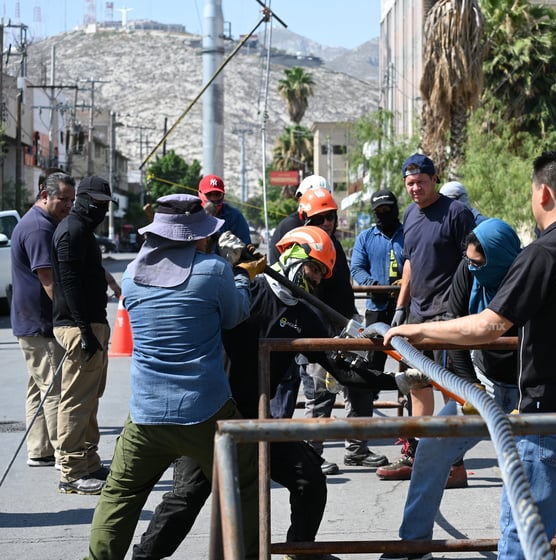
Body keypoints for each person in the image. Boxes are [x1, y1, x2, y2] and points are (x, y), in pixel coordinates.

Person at [384, 149, 556, 560]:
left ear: (544, 193)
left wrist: (413, 329)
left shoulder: (545, 253)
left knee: (520, 537)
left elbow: (487, 326)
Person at [132, 226, 393, 560]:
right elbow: (200, 290)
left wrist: (398, 382)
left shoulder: (306, 315)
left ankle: (301, 551)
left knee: (309, 481)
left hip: (258, 420)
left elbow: (341, 370)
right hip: (211, 413)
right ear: (291, 254)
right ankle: (144, 557)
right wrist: (225, 261)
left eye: (319, 275)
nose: (313, 279)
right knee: (188, 495)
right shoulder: (245, 289)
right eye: (312, 267)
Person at [85, 194, 263, 559]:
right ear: (194, 236)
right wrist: (242, 275)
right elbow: (235, 316)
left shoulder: (132, 277)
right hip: (206, 410)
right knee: (244, 481)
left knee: (120, 493)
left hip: (146, 414)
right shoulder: (213, 271)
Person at [379, 218, 522, 560]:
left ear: (501, 260)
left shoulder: (523, 277)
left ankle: (523, 548)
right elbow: (456, 329)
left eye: (479, 264)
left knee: (526, 470)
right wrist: (470, 387)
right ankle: (414, 543)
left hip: (525, 389)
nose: (473, 270)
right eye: (469, 262)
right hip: (482, 383)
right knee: (432, 447)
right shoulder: (467, 272)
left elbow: (491, 328)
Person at [376, 154, 475, 481]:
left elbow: (472, 262)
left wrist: (457, 309)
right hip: (416, 320)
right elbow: (410, 264)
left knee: (452, 395)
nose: (415, 188)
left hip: (447, 322)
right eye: (409, 184)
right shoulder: (410, 215)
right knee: (417, 387)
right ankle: (415, 456)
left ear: (435, 179)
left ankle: (454, 466)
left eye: (421, 181)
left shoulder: (457, 214)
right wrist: (401, 309)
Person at [295, 187, 388, 473]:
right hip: (318, 331)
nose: (327, 223)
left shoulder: (332, 244)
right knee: (320, 393)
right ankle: (313, 454)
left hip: (346, 324)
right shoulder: (301, 250)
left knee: (359, 385)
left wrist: (352, 324)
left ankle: (357, 449)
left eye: (331, 217)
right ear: (306, 219)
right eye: (321, 218)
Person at [51, 175, 114, 495]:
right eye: (99, 204)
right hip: (79, 328)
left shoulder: (81, 230)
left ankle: (88, 461)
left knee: (89, 400)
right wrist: (85, 330)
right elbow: (69, 284)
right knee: (75, 403)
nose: (103, 211)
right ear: (85, 200)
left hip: (89, 325)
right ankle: (72, 470)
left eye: (106, 206)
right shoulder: (72, 231)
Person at [10, 171, 75, 468]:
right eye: (63, 198)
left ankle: (39, 449)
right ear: (44, 194)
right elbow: (48, 280)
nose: (68, 205)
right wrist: (73, 316)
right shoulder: (39, 228)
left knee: (39, 387)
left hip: (33, 323)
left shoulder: (43, 222)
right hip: (40, 323)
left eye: (72, 200)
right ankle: (65, 456)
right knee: (55, 389)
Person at [350, 189, 405, 370]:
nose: (383, 215)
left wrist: (405, 283)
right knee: (372, 361)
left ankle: (410, 397)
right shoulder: (365, 238)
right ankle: (369, 396)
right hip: (377, 308)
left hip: (406, 307)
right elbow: (357, 268)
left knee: (410, 360)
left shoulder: (409, 235)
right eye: (378, 211)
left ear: (395, 209)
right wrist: (373, 285)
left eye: (387, 210)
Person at [267, 174, 331, 265]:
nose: (326, 223)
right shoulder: (293, 226)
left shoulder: (321, 228)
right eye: (319, 219)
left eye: (330, 217)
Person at [197, 173, 251, 244]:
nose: (214, 198)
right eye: (209, 194)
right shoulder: (192, 214)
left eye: (217, 194)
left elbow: (246, 244)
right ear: (199, 193)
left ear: (223, 195)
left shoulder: (234, 216)